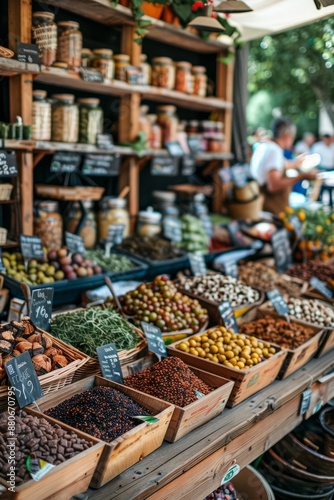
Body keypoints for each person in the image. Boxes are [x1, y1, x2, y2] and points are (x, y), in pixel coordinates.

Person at [250, 117, 317, 215]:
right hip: (272, 209)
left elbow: (280, 165)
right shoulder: (274, 151)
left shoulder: (265, 147)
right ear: (286, 136)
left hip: (263, 207)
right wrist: (302, 176)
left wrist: (296, 163)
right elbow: (273, 186)